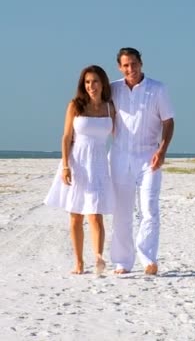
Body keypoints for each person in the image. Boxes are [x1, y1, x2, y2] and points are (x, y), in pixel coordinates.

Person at [44, 65, 115, 275]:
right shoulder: (76, 105)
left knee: (95, 215)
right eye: (87, 82)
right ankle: (79, 262)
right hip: (77, 161)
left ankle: (98, 259)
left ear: (102, 83)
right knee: (75, 215)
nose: (91, 86)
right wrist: (65, 165)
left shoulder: (110, 107)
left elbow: (122, 134)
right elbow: (66, 137)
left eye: (94, 81)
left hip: (99, 163)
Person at [109, 47, 175, 275]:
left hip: (149, 157)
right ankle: (123, 262)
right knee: (122, 212)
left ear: (141, 63)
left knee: (149, 209)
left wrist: (163, 149)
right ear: (120, 67)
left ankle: (148, 259)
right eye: (126, 65)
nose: (131, 69)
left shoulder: (157, 89)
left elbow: (168, 121)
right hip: (118, 157)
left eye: (134, 64)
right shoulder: (113, 89)